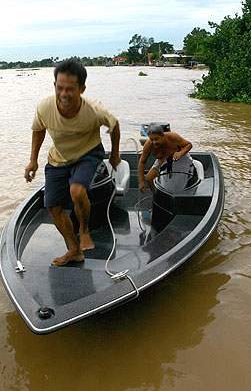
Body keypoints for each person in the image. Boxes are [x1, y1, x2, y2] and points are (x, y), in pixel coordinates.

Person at [24, 59, 121, 266]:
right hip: (58, 158)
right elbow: (38, 129)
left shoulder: (94, 110)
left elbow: (114, 125)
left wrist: (115, 154)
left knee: (76, 191)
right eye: (60, 88)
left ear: (81, 89)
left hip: (88, 153)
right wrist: (33, 160)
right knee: (52, 205)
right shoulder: (44, 106)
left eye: (70, 89)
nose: (64, 94)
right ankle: (74, 250)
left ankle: (84, 230)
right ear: (54, 86)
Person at [138, 123, 192, 193]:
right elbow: (142, 162)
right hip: (162, 160)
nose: (154, 142)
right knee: (149, 178)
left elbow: (189, 145)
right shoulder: (148, 145)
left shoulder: (173, 137)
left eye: (156, 139)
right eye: (151, 139)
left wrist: (180, 153)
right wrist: (141, 181)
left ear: (163, 136)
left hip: (180, 159)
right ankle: (157, 194)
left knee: (178, 180)